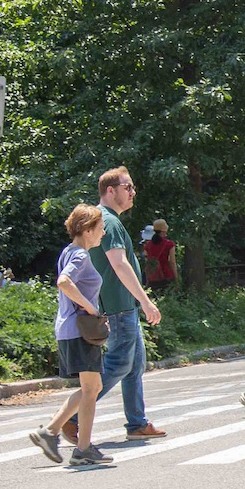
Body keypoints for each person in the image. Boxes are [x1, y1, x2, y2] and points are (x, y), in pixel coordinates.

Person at [29, 205, 113, 466]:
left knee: (92, 388)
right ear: (87, 230)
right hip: (80, 330)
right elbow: (64, 282)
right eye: (100, 229)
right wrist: (90, 308)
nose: (102, 234)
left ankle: (52, 432)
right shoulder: (80, 256)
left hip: (68, 329)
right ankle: (82, 448)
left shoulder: (68, 252)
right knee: (91, 389)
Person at [87, 166, 164, 441]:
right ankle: (72, 417)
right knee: (120, 364)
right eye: (127, 187)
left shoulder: (106, 219)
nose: (133, 192)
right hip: (120, 305)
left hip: (122, 304)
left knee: (134, 366)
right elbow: (119, 264)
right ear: (111, 191)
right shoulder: (108, 221)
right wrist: (146, 302)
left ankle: (137, 423)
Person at [141, 219, 177, 291]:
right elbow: (172, 262)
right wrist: (176, 279)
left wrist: (148, 279)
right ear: (165, 230)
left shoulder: (147, 245)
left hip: (153, 278)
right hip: (167, 276)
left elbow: (147, 261)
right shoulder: (169, 244)